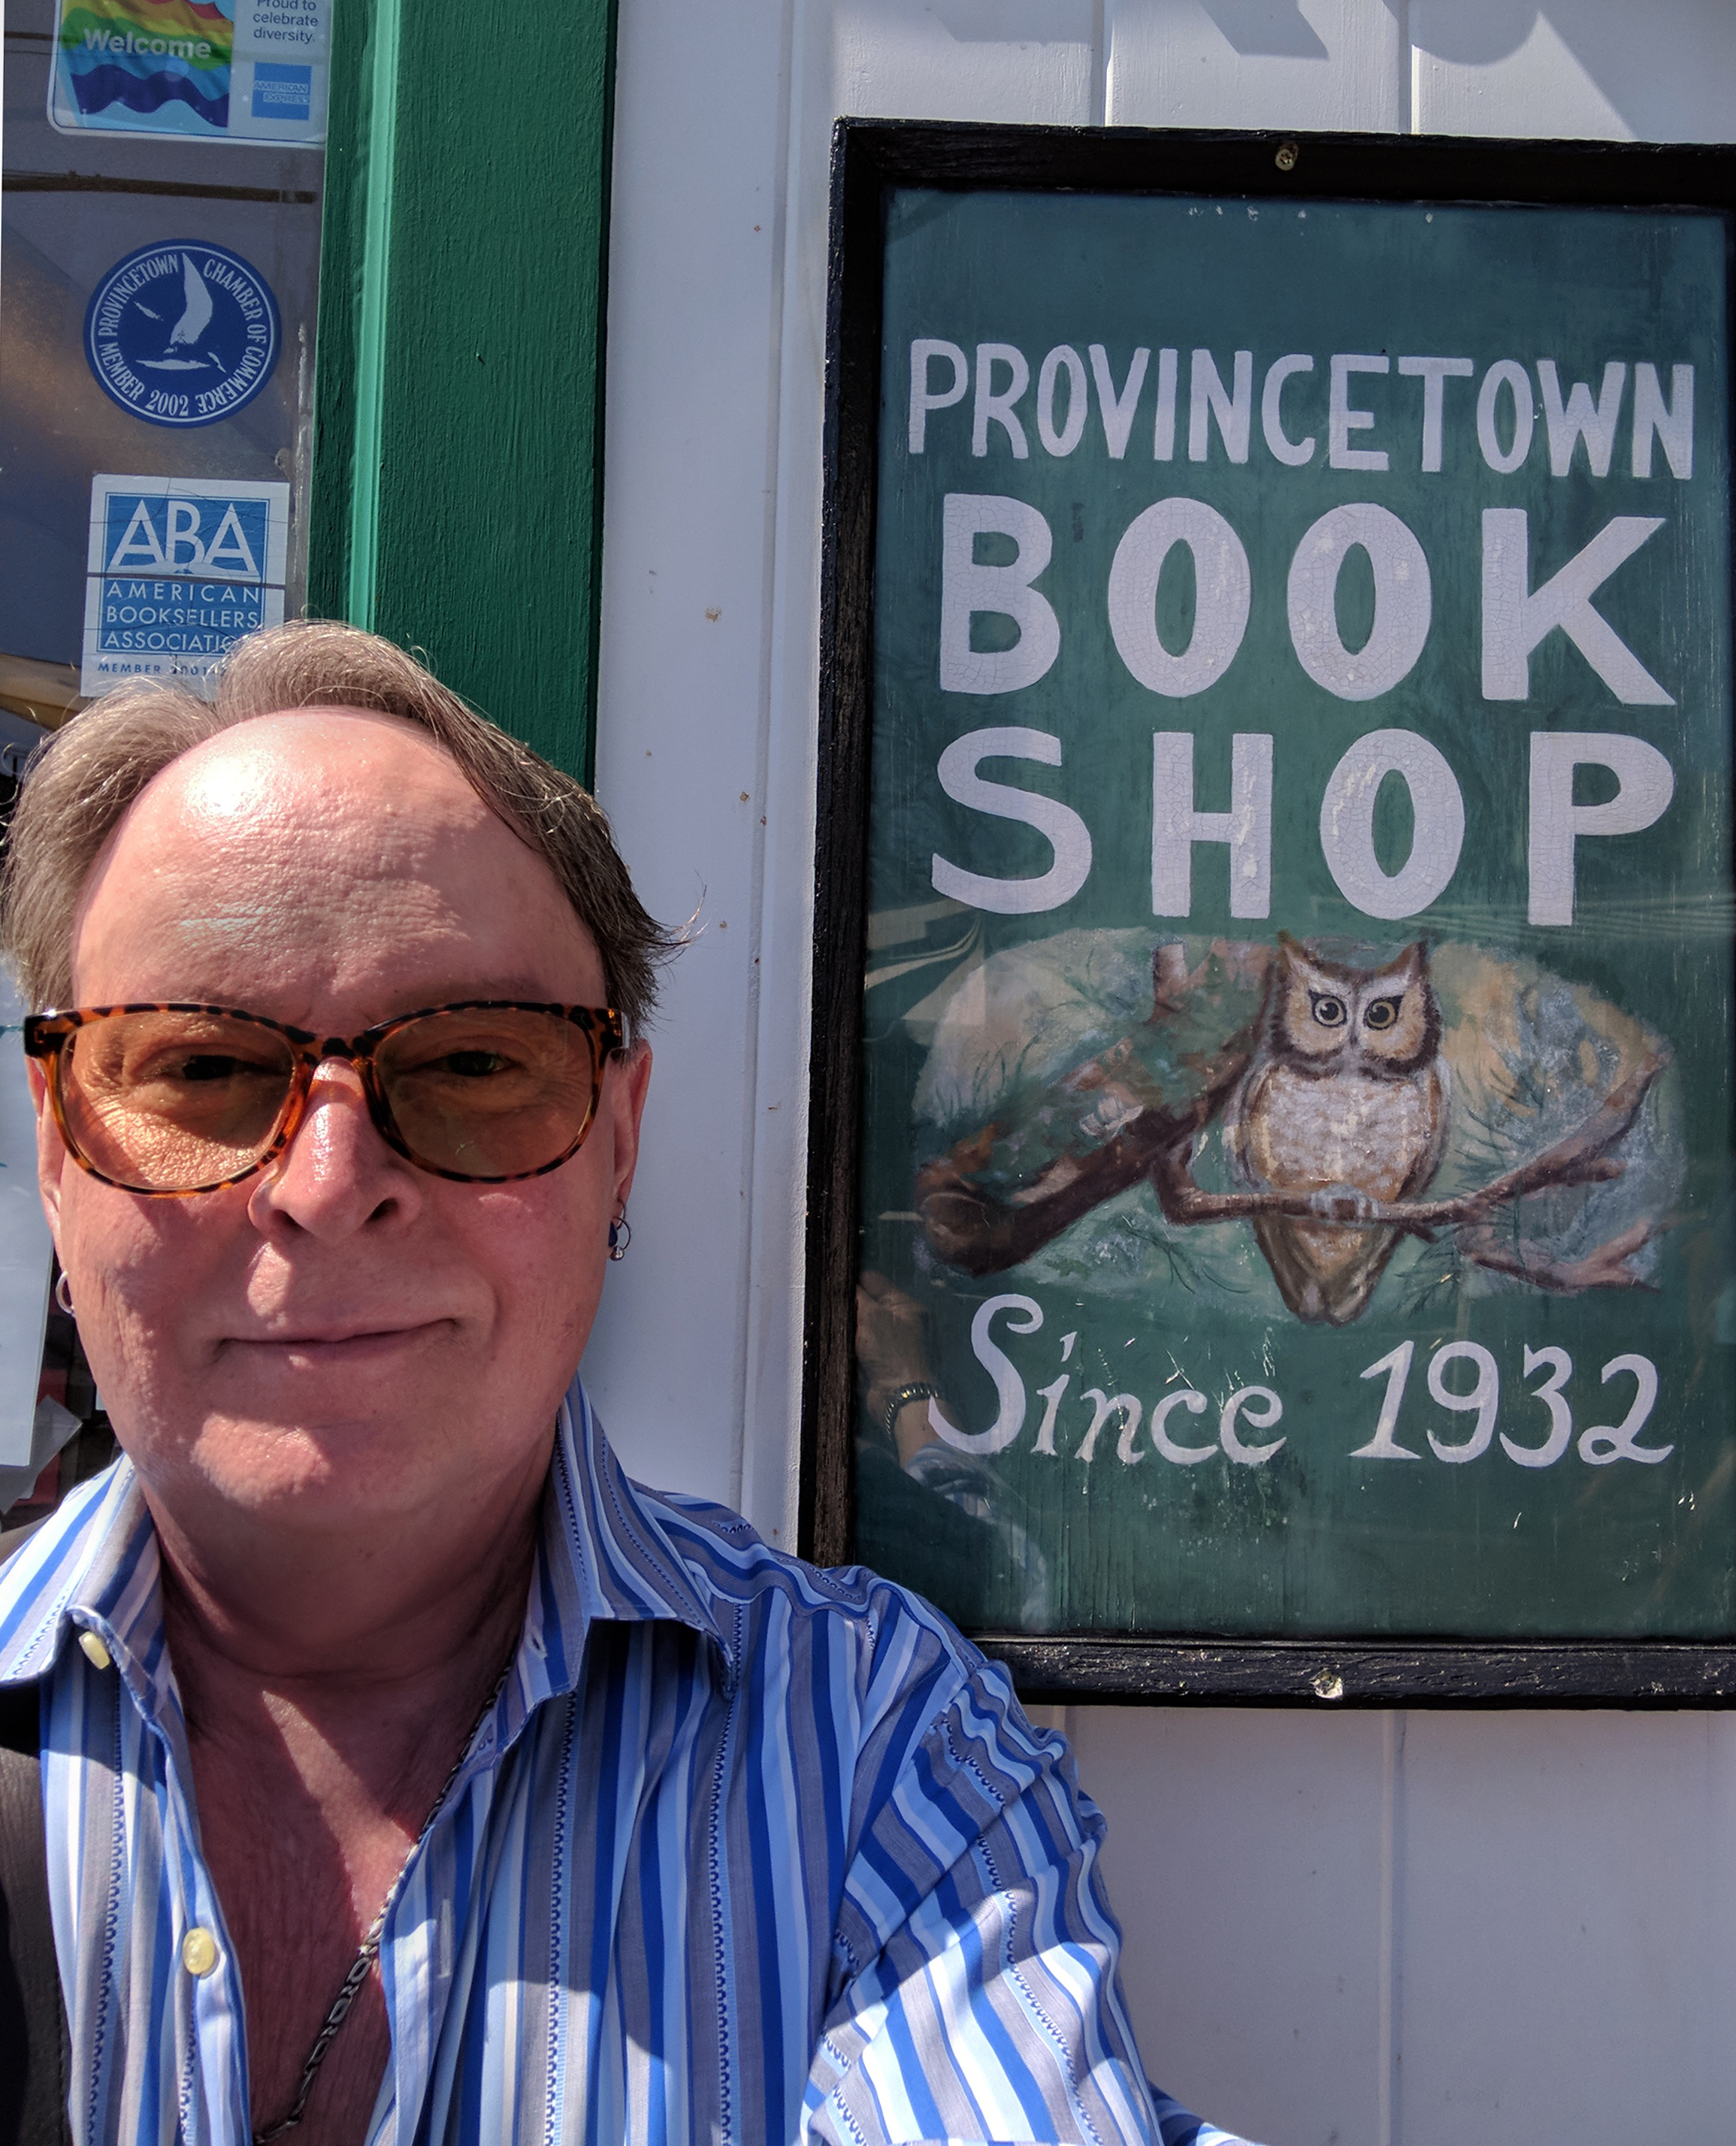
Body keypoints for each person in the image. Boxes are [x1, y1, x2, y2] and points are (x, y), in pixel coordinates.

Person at [0, 622, 1257, 2146]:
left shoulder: (869, 1757)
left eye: (472, 1066)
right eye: (201, 1068)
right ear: (61, 1151)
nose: (329, 1185)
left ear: (616, 1142)